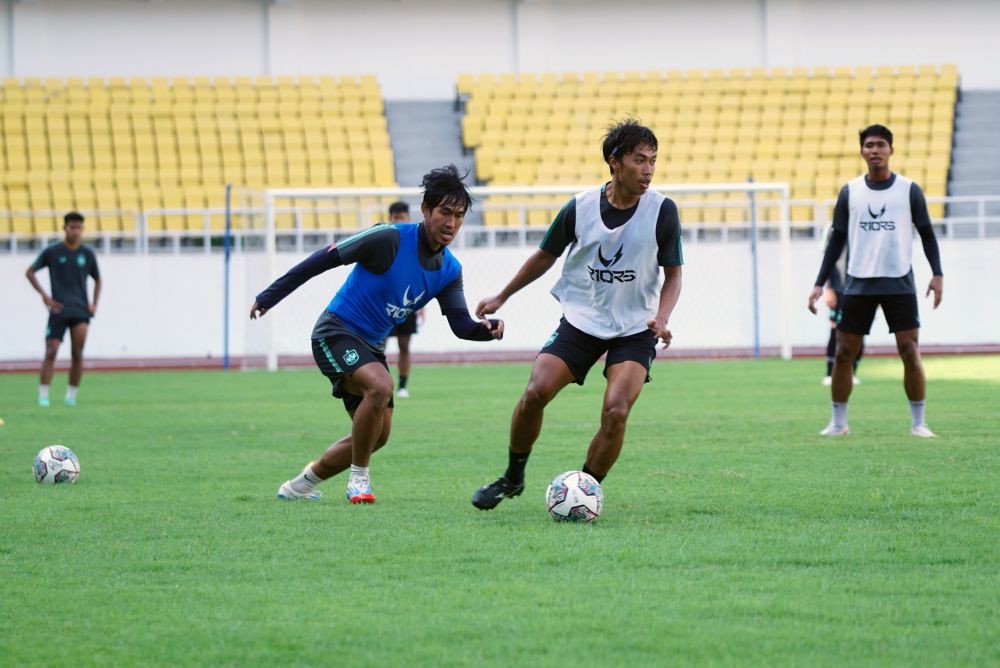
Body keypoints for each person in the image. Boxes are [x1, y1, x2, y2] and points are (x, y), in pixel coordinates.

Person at [250, 165, 504, 504]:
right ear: (426, 209)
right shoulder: (388, 238)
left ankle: (299, 485)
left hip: (369, 347)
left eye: (459, 216)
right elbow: (323, 259)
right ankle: (359, 479)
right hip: (334, 333)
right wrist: (270, 296)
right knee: (381, 385)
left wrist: (485, 331)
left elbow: (461, 325)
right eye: (445, 212)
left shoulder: (449, 270)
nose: (452, 223)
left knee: (378, 435)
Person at [470, 119, 683, 511]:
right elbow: (543, 257)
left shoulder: (663, 211)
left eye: (653, 160)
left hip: (636, 328)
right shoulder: (581, 207)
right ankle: (512, 477)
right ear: (614, 161)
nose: (649, 169)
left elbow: (674, 275)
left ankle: (584, 491)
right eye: (640, 160)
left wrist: (663, 318)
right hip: (582, 320)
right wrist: (502, 296)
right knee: (535, 393)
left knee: (616, 411)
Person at [808, 124, 943, 438]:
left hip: (899, 281)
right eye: (869, 145)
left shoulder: (909, 189)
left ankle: (919, 423)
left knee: (909, 350)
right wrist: (820, 282)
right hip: (859, 282)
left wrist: (937, 274)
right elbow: (837, 240)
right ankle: (838, 423)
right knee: (843, 352)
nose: (875, 150)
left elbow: (926, 233)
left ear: (891, 150)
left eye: (881, 145)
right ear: (862, 151)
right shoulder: (850, 191)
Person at [25, 212, 102, 407]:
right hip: (58, 310)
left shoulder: (87, 254)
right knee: (51, 351)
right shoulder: (53, 252)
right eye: (72, 227)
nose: (75, 231)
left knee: (77, 353)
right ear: (65, 228)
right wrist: (45, 296)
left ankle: (71, 396)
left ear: (82, 230)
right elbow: (30, 272)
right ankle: (43, 396)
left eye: (79, 228)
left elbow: (98, 279)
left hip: (80, 311)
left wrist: (94, 303)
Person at [383, 200, 423, 398]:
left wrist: (421, 304)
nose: (398, 220)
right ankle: (379, 382)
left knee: (404, 345)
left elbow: (420, 274)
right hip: (383, 304)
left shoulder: (415, 242)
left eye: (402, 217)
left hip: (407, 303)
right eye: (395, 217)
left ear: (408, 218)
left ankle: (402, 386)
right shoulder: (383, 240)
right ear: (390, 218)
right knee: (378, 345)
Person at [822, 263, 863, 386]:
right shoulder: (837, 244)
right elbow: (830, 259)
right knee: (836, 329)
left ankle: (853, 373)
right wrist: (829, 287)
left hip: (862, 290)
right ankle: (830, 373)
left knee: (860, 329)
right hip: (839, 289)